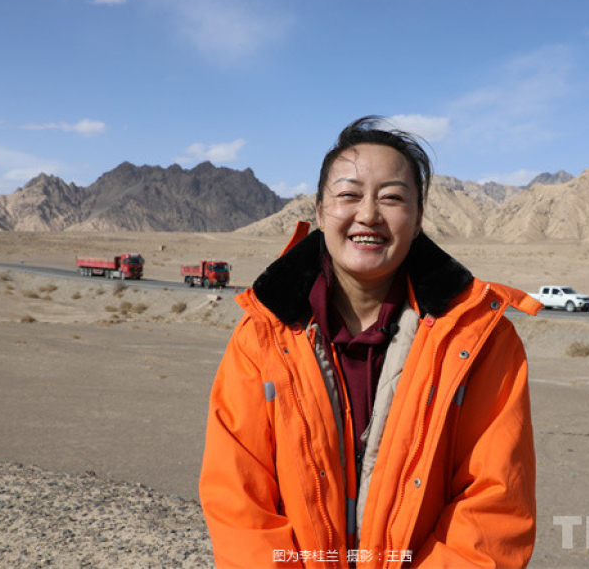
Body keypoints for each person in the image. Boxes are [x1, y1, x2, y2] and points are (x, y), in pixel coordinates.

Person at [199, 116, 542, 568]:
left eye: (392, 198)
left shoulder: (481, 341)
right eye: (349, 195)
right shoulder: (261, 336)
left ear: (417, 220)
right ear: (319, 212)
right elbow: (239, 501)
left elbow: (493, 509)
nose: (368, 214)